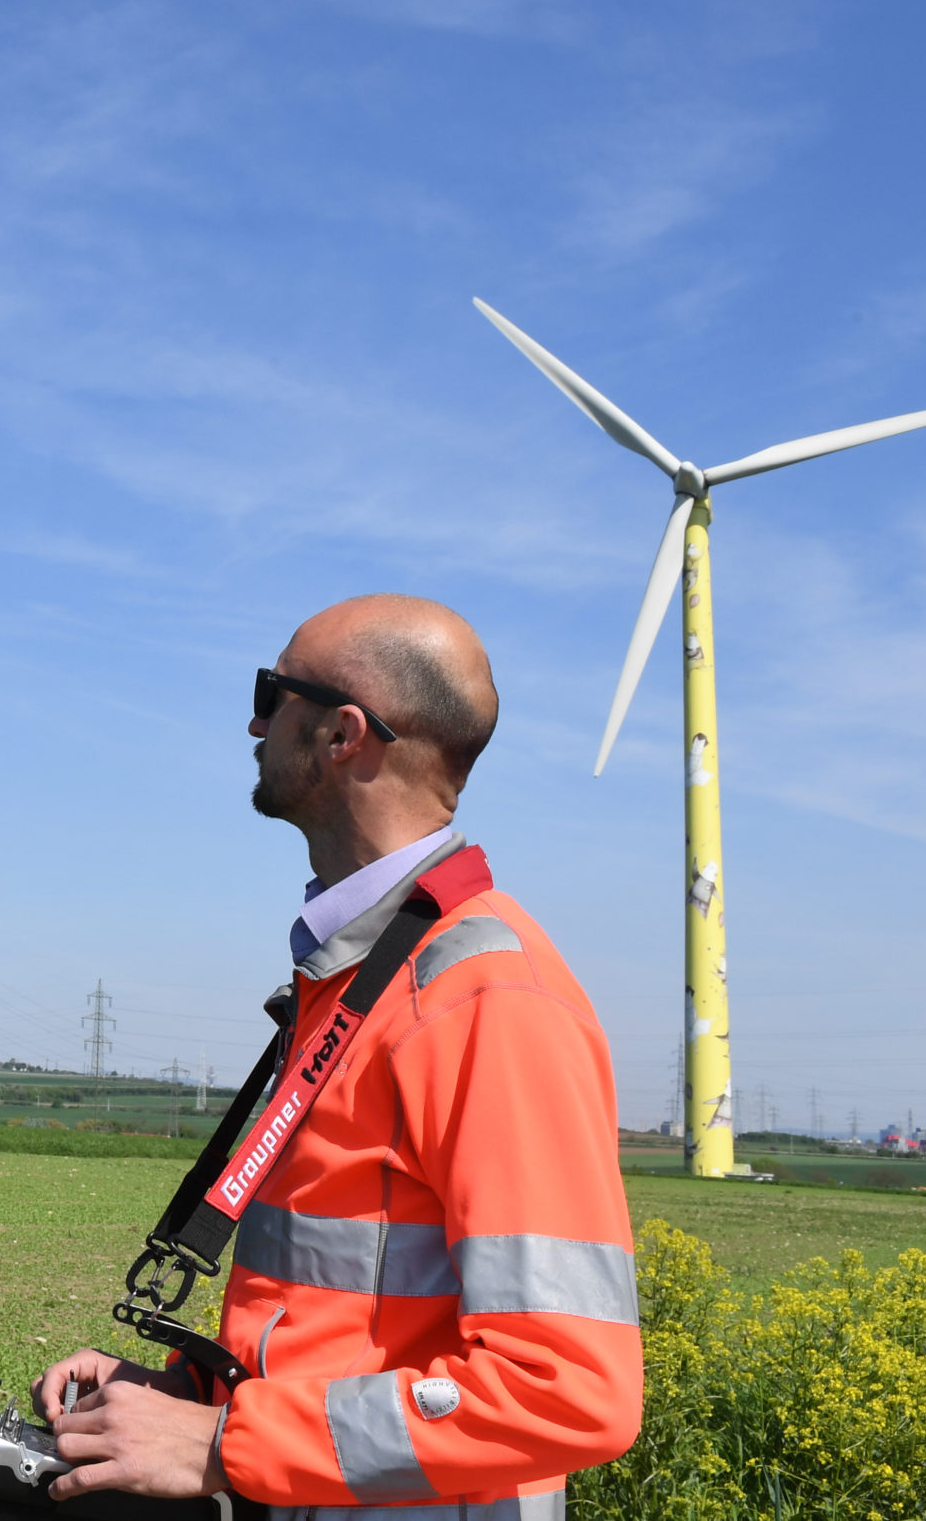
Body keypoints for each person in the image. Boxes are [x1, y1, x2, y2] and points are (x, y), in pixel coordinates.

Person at [35, 595, 642, 1518]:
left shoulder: (486, 999)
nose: (251, 720)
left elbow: (568, 1386)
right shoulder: (372, 969)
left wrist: (224, 1441)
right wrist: (192, 1399)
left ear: (342, 734)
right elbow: (349, 1319)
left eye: (271, 693)